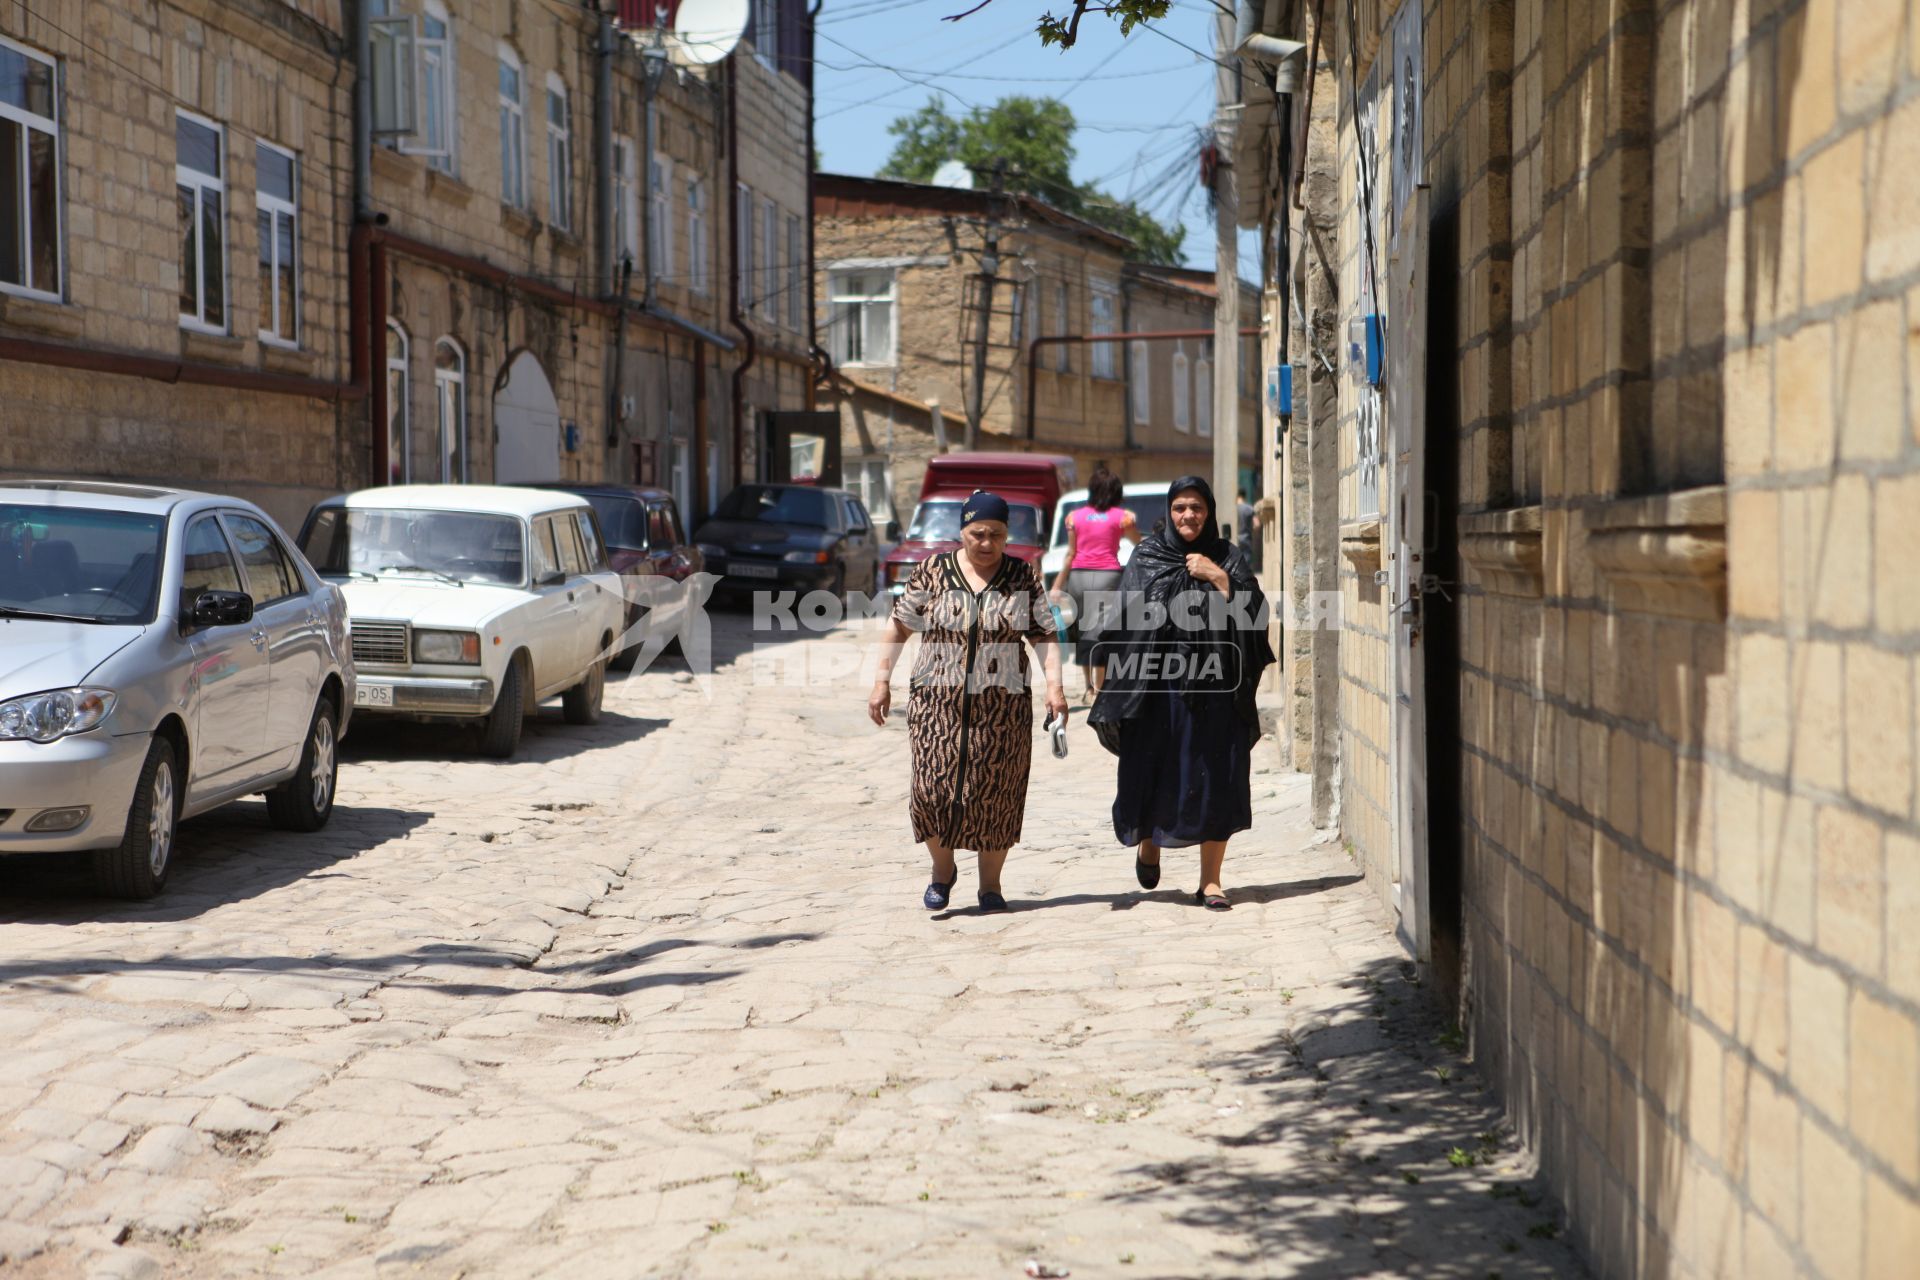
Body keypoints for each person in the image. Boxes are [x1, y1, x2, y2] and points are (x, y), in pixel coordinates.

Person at [869, 491, 1068, 913]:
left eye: (996, 534)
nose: (986, 542)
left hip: (1002, 711)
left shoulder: (1021, 576)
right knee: (930, 792)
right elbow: (899, 627)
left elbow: (1044, 635)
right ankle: (943, 873)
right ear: (961, 531)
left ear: (1006, 534)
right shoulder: (932, 571)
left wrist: (1055, 688)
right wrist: (881, 682)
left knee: (995, 794)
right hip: (936, 707)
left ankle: (991, 887)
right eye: (977, 533)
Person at [1088, 477, 1275, 910]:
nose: (1188, 516)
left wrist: (1220, 579)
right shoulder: (1147, 556)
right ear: (1169, 512)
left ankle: (1211, 881)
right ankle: (1149, 841)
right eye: (1179, 508)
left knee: (1218, 779)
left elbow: (1256, 616)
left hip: (1216, 691)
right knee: (1155, 771)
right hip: (1157, 690)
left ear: (1209, 511)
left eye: (1196, 508)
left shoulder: (1229, 556)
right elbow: (1124, 621)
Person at [1049, 466, 1140, 702]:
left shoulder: (1074, 517)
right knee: (1102, 633)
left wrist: (1057, 585)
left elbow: (1070, 554)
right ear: (1115, 492)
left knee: (1083, 632)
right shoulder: (1123, 517)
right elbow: (1139, 544)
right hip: (1107, 576)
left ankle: (1089, 688)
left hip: (1078, 576)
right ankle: (1100, 691)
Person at [1235, 489, 1261, 572]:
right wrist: (1251, 531)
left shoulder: (1233, 509)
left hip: (1235, 538)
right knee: (1246, 565)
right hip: (1246, 538)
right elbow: (1257, 524)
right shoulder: (1249, 508)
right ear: (1244, 496)